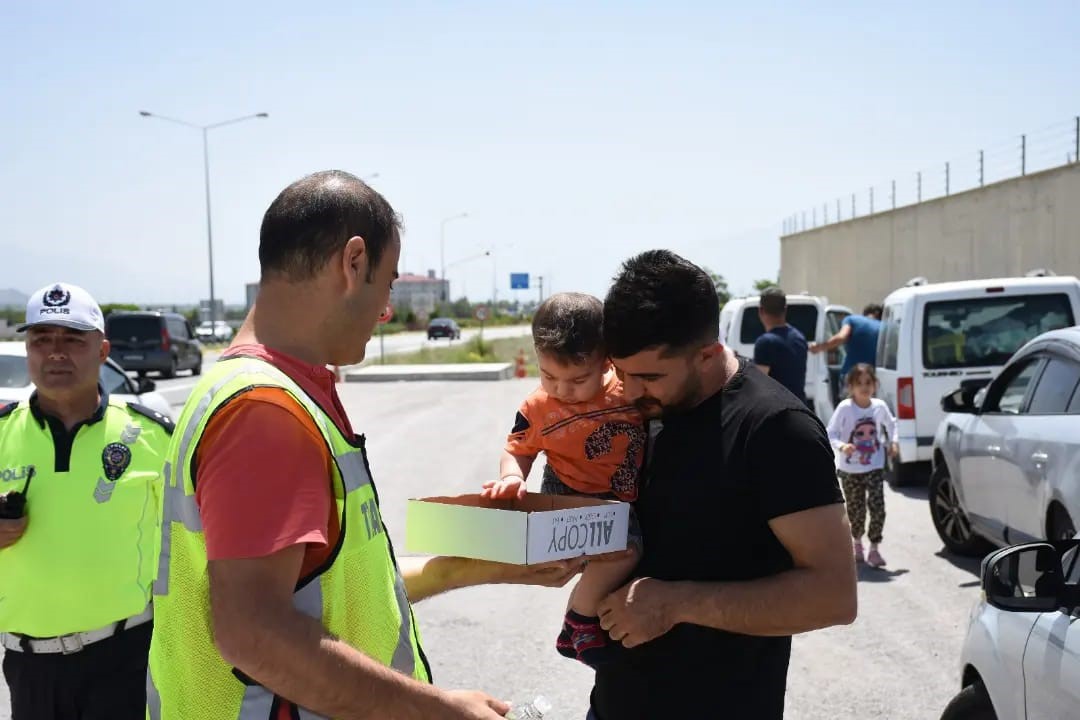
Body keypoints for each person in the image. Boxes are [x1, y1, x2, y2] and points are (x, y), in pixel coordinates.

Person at [147, 170, 599, 720]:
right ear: (352, 262)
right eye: (386, 285)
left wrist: (486, 565)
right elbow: (254, 634)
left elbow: (340, 588)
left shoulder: (267, 390)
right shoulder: (264, 411)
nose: (386, 311)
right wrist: (439, 710)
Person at [591, 250, 858, 720]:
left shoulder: (777, 430)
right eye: (621, 372)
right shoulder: (642, 407)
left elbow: (834, 595)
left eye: (649, 376)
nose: (630, 393)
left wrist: (676, 604)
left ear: (708, 354)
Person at [0, 282, 173, 719]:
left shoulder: (152, 435)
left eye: (73, 339)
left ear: (102, 351)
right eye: (41, 340)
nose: (55, 352)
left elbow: (194, 543)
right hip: (28, 667)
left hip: (126, 657)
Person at [481, 292, 644, 668]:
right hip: (565, 492)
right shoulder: (537, 407)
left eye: (577, 380)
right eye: (548, 375)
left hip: (618, 496)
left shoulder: (628, 392)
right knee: (624, 552)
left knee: (622, 557)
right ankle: (580, 619)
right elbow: (518, 451)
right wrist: (510, 478)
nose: (561, 390)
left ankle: (580, 622)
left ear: (607, 361)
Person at [825, 364, 898, 568]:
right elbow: (831, 432)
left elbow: (891, 423)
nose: (864, 387)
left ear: (875, 385)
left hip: (874, 466)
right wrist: (842, 446)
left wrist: (893, 441)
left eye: (868, 383)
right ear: (851, 387)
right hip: (850, 470)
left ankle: (874, 548)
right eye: (859, 383)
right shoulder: (845, 408)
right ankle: (857, 543)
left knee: (877, 507)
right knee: (856, 510)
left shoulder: (879, 406)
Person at [752, 286, 809, 403]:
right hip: (801, 410)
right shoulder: (800, 338)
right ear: (785, 309)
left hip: (778, 413)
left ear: (760, 311)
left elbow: (758, 386)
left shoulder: (765, 342)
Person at [809, 303, 883, 379]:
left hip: (851, 376)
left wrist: (818, 347)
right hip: (872, 378)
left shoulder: (852, 319)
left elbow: (841, 337)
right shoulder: (885, 328)